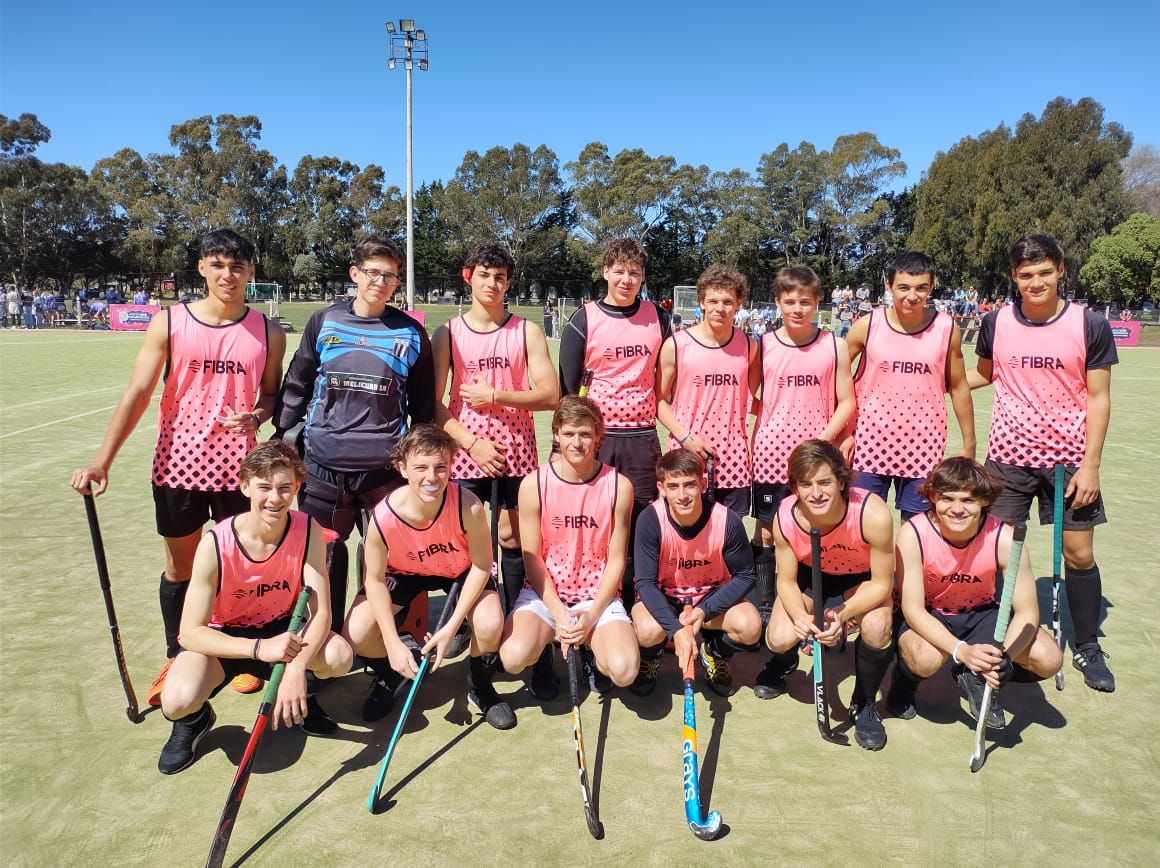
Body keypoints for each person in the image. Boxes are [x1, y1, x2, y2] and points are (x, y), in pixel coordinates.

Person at [71, 229, 286, 707]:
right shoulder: (170, 322)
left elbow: (271, 395)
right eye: (218, 265)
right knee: (182, 568)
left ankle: (238, 657)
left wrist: (256, 416)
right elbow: (138, 392)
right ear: (202, 269)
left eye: (237, 267)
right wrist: (103, 461)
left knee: (239, 566)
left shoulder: (268, 332)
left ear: (251, 273)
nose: (228, 275)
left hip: (240, 473)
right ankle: (179, 654)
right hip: (178, 466)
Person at [968, 234, 1118, 692]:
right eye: (1026, 274)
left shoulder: (1089, 324)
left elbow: (1099, 396)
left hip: (1069, 461)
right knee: (998, 554)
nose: (1036, 282)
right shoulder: (996, 322)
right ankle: (996, 640)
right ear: (1014, 276)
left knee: (1079, 554)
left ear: (1060, 270)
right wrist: (929, 382)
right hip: (1008, 459)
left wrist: (1091, 465)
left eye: (1045, 272)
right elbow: (983, 374)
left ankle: (1087, 645)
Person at [275, 234, 435, 644]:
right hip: (322, 466)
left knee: (386, 557)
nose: (380, 282)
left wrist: (418, 464)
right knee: (322, 556)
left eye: (390, 276)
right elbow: (297, 384)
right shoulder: (324, 322)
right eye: (372, 273)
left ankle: (379, 646)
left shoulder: (411, 333)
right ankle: (320, 644)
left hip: (384, 471)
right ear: (355, 274)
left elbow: (423, 409)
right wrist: (282, 437)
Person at [156, 442, 354, 774]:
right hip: (225, 639)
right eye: (264, 487)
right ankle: (195, 720)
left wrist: (296, 667)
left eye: (285, 487)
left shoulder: (308, 530)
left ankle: (301, 697)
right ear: (245, 486)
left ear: (297, 488)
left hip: (281, 631)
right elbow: (189, 634)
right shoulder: (215, 543)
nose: (275, 498)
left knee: (339, 657)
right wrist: (258, 649)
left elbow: (321, 612)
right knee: (176, 701)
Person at [342, 425, 514, 729]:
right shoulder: (383, 517)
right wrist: (392, 644)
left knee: (489, 623)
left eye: (440, 467)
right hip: (405, 572)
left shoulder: (468, 506)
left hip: (459, 570)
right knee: (357, 632)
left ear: (451, 466)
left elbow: (482, 565)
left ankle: (479, 685)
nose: (432, 477)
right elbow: (375, 580)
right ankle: (393, 673)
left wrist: (450, 626)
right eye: (421, 468)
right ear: (402, 468)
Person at [555, 237, 670, 688]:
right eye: (619, 271)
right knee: (596, 529)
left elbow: (666, 380)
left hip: (642, 439)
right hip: (597, 440)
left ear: (643, 277)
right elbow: (568, 391)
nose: (626, 279)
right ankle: (592, 633)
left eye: (634, 273)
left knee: (640, 528)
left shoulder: (659, 318)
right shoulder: (584, 318)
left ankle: (634, 625)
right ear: (605, 271)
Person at [432, 243, 559, 618]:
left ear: (508, 283)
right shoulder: (448, 333)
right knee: (464, 538)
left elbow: (550, 395)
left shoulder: (527, 331)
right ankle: (468, 620)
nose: (492, 283)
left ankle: (517, 615)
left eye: (500, 277)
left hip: (516, 452)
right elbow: (433, 404)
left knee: (512, 535)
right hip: (465, 452)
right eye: (484, 275)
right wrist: (472, 445)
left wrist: (495, 395)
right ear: (468, 277)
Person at [891, 457, 1063, 730]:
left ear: (984, 500)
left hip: (981, 613)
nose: (957, 509)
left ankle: (977, 676)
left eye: (968, 500)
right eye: (947, 498)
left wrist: (1003, 658)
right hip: (931, 613)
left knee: (1049, 658)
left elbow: (1027, 612)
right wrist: (961, 650)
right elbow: (912, 610)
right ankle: (904, 682)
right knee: (925, 658)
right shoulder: (913, 533)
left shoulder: (1005, 537)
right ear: (933, 497)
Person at [757, 440, 896, 750]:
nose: (816, 493)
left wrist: (842, 615)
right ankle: (785, 662)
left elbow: (882, 584)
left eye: (824, 482)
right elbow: (786, 582)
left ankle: (864, 702)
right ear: (795, 486)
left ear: (842, 481)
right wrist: (801, 619)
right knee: (779, 637)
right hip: (812, 575)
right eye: (806, 484)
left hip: (859, 579)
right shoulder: (785, 517)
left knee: (877, 626)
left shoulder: (871, 514)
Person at [498, 397, 640, 697]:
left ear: (598, 436)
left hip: (596, 597)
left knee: (624, 670)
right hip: (546, 594)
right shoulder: (533, 485)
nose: (577, 443)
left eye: (585, 434)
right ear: (556, 434)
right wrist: (560, 615)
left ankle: (589, 646)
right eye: (569, 433)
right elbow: (532, 559)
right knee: (512, 657)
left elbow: (617, 560)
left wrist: (590, 616)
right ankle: (545, 650)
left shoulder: (620, 486)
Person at [751, 265, 855, 628]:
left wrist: (824, 439)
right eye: (790, 301)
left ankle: (816, 599)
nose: (797, 309)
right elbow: (747, 394)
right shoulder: (763, 345)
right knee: (767, 529)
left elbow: (847, 401)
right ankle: (766, 602)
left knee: (817, 525)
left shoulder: (834, 345)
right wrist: (772, 416)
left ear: (817, 303)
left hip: (817, 458)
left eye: (805, 302)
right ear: (778, 302)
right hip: (771, 454)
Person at [843, 250, 975, 522]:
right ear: (888, 285)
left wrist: (969, 443)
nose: (912, 296)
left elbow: (959, 386)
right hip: (868, 443)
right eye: (903, 287)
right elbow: (836, 378)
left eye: (921, 288)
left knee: (916, 528)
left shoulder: (946, 328)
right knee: (863, 524)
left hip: (924, 445)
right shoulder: (867, 326)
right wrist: (843, 432)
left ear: (931, 286)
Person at [631, 449, 761, 696]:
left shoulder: (727, 520)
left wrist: (704, 611)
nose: (682, 496)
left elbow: (746, 575)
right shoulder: (650, 519)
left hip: (709, 599)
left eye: (689, 485)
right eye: (673, 486)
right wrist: (675, 630)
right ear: (661, 488)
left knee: (750, 626)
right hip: (664, 597)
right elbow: (645, 583)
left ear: (703, 484)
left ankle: (713, 653)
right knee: (648, 631)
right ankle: (651, 657)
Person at [655, 265, 757, 514]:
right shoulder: (676, 345)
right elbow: (658, 400)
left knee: (730, 531)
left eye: (727, 302)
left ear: (738, 303)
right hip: (687, 455)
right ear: (701, 302)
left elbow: (751, 399)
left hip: (733, 460)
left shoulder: (749, 346)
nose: (719, 308)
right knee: (683, 529)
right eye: (712, 301)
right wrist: (685, 437)